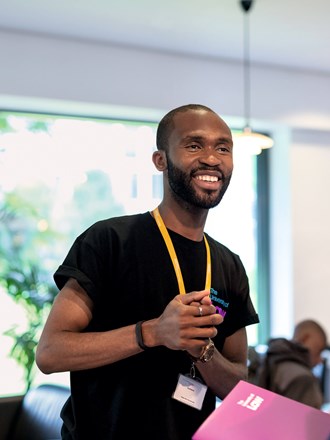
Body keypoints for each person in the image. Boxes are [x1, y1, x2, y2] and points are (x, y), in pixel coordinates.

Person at [36, 104, 259, 440]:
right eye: (194, 145)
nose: (212, 158)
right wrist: (152, 333)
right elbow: (50, 353)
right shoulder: (110, 241)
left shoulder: (228, 264)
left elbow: (239, 388)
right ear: (160, 160)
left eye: (223, 147)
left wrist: (202, 351)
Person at [256, 319, 327, 409]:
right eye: (318, 350)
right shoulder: (303, 378)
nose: (320, 360)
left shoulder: (271, 359)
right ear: (305, 338)